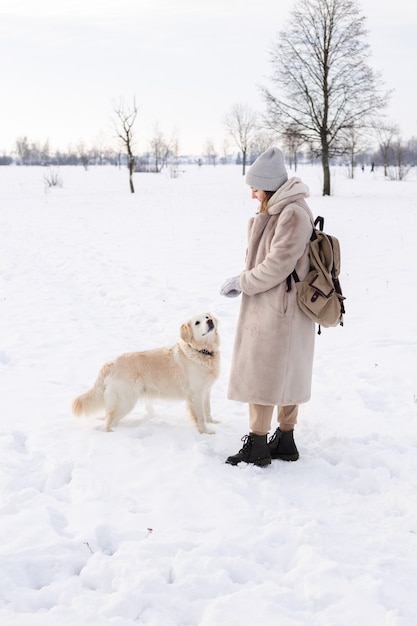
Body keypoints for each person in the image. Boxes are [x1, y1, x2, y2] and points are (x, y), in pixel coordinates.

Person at [220, 147, 315, 467]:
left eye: (255, 189)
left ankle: (258, 444)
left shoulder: (290, 214)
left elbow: (277, 265)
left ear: (271, 187)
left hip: (278, 308)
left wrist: (242, 281)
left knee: (262, 373)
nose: (252, 195)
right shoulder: (281, 210)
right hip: (281, 306)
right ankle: (285, 440)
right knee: (284, 372)